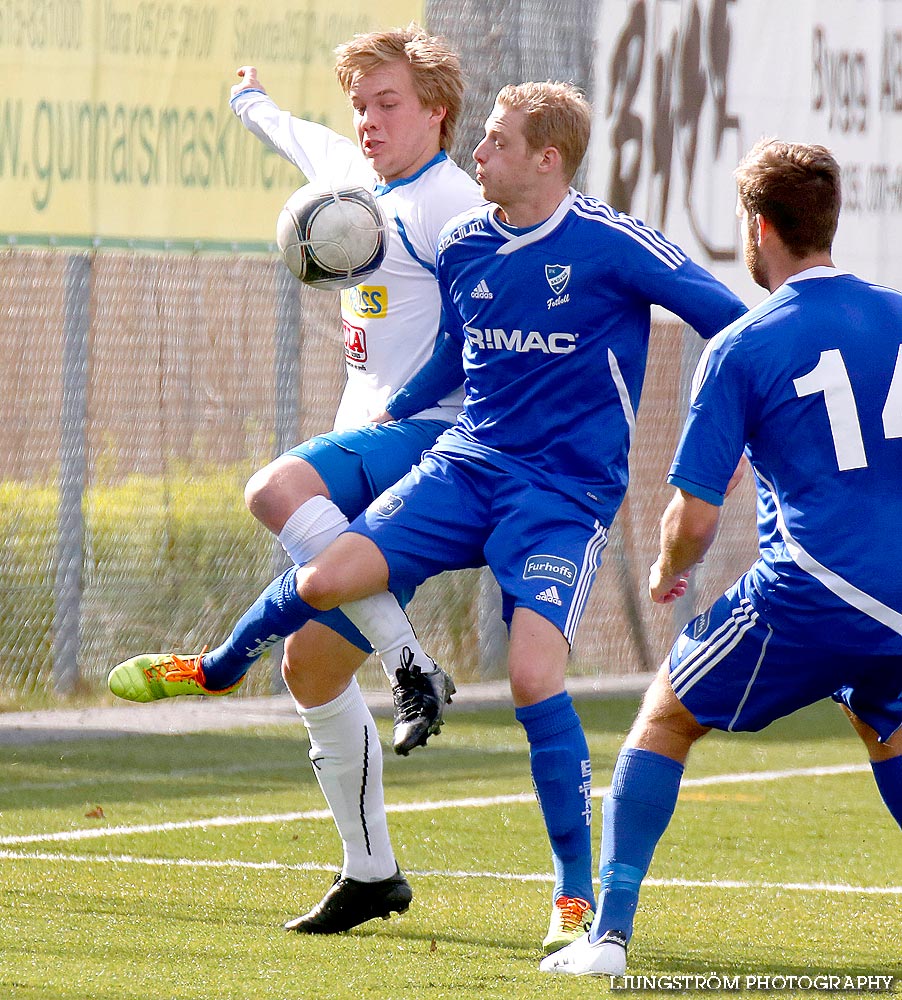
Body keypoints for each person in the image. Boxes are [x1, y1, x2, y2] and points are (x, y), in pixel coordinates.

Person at [112, 80, 746, 946]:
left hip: (563, 495)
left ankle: (570, 896)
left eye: (496, 140)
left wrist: (721, 450)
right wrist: (399, 408)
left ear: (546, 160)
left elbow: (737, 328)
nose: (479, 154)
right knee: (329, 575)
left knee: (531, 678)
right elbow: (455, 353)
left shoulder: (611, 244)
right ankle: (222, 666)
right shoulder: (468, 243)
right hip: (466, 465)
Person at [541, 139, 902, 978]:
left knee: (666, 716)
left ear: (759, 225)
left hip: (816, 590)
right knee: (885, 729)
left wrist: (669, 570)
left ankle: (608, 939)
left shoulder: (745, 345)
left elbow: (694, 516)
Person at [109, 25, 485, 758]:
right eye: (359, 105)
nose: (368, 120)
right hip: (364, 434)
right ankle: (372, 872)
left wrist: (402, 406)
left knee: (273, 489)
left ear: (437, 109)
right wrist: (249, 100)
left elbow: (478, 341)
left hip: (430, 439)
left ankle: (260, 665)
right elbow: (297, 136)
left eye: (388, 103)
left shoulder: (455, 206)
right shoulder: (353, 174)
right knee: (309, 666)